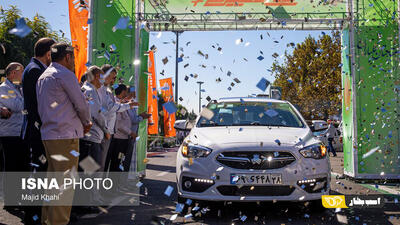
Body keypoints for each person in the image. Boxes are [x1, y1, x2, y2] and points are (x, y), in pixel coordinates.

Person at [36, 43, 92, 225]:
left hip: (49, 135)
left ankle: (47, 220)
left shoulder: (43, 76)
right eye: (74, 57)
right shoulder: (65, 75)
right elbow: (81, 104)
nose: (75, 61)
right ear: (67, 57)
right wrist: (86, 122)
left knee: (52, 184)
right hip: (66, 136)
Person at [21, 37, 55, 225]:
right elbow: (39, 104)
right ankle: (33, 216)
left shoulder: (36, 69)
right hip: (37, 130)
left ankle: (36, 214)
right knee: (38, 173)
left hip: (38, 129)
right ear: (48, 53)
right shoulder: (35, 71)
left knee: (40, 172)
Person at [0, 62, 30, 208]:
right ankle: (11, 201)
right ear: (12, 73)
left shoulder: (20, 88)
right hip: (10, 134)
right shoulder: (5, 88)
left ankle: (19, 198)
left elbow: (20, 107)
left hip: (20, 132)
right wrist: (28, 101)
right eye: (21, 71)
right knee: (12, 167)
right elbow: (17, 106)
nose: (23, 74)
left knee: (21, 167)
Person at [99, 64, 137, 171]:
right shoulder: (101, 89)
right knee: (103, 164)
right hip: (104, 133)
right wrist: (128, 105)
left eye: (115, 77)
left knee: (107, 164)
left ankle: (105, 186)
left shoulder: (108, 90)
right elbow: (111, 108)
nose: (114, 80)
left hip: (109, 133)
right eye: (113, 77)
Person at [79, 66, 107, 168]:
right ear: (96, 76)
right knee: (90, 174)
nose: (103, 81)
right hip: (91, 138)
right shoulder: (91, 90)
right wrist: (106, 131)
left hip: (86, 137)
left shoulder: (84, 88)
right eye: (102, 78)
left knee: (84, 173)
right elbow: (97, 114)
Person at [105, 84, 136, 172]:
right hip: (119, 140)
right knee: (116, 162)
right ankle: (113, 184)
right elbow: (118, 124)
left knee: (119, 161)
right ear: (123, 92)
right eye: (126, 92)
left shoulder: (122, 103)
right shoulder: (117, 103)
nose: (127, 94)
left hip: (123, 139)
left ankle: (116, 183)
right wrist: (130, 132)